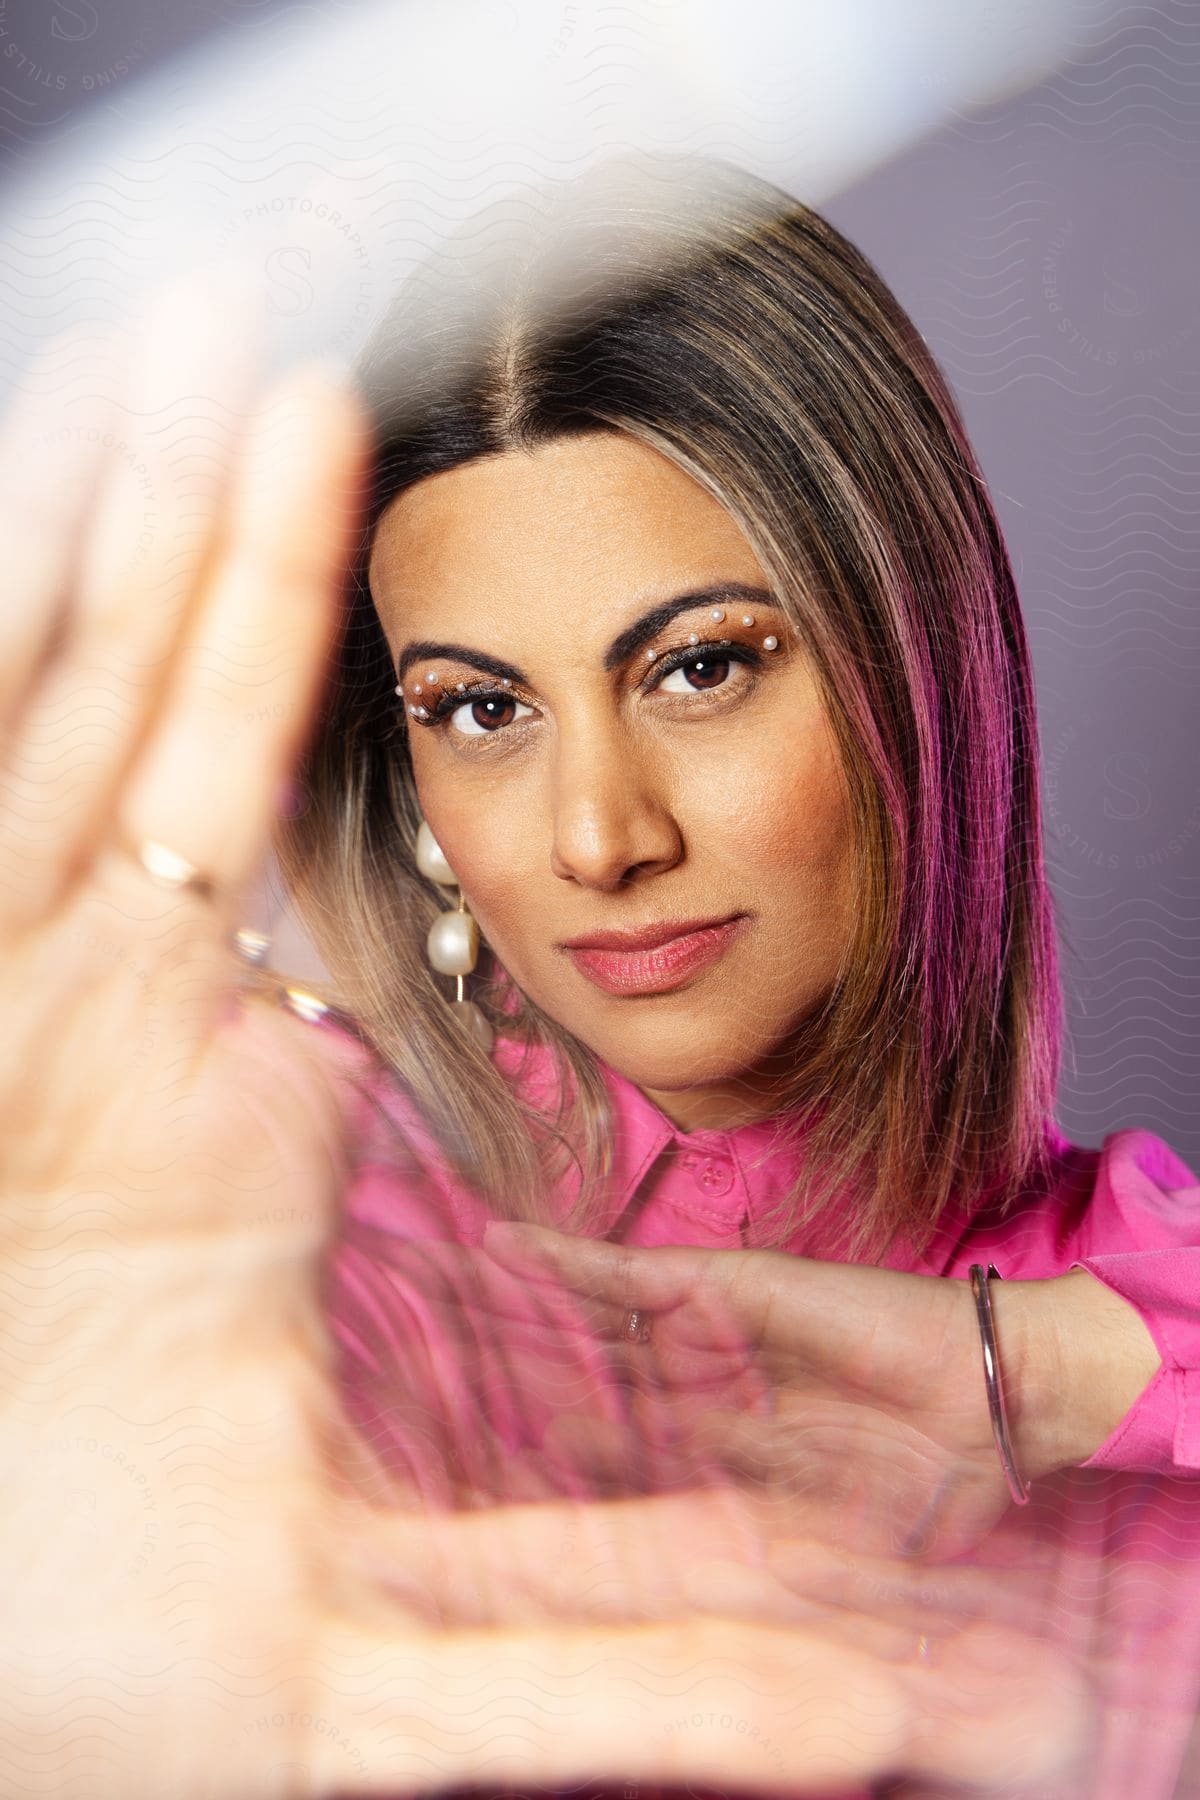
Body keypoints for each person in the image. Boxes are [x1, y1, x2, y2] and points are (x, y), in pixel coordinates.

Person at [0, 149, 1191, 1799]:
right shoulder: (296, 1235)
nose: (596, 836)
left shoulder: (1134, 1331)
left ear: (912, 667)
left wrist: (1050, 1371)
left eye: (700, 666)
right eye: (480, 710)